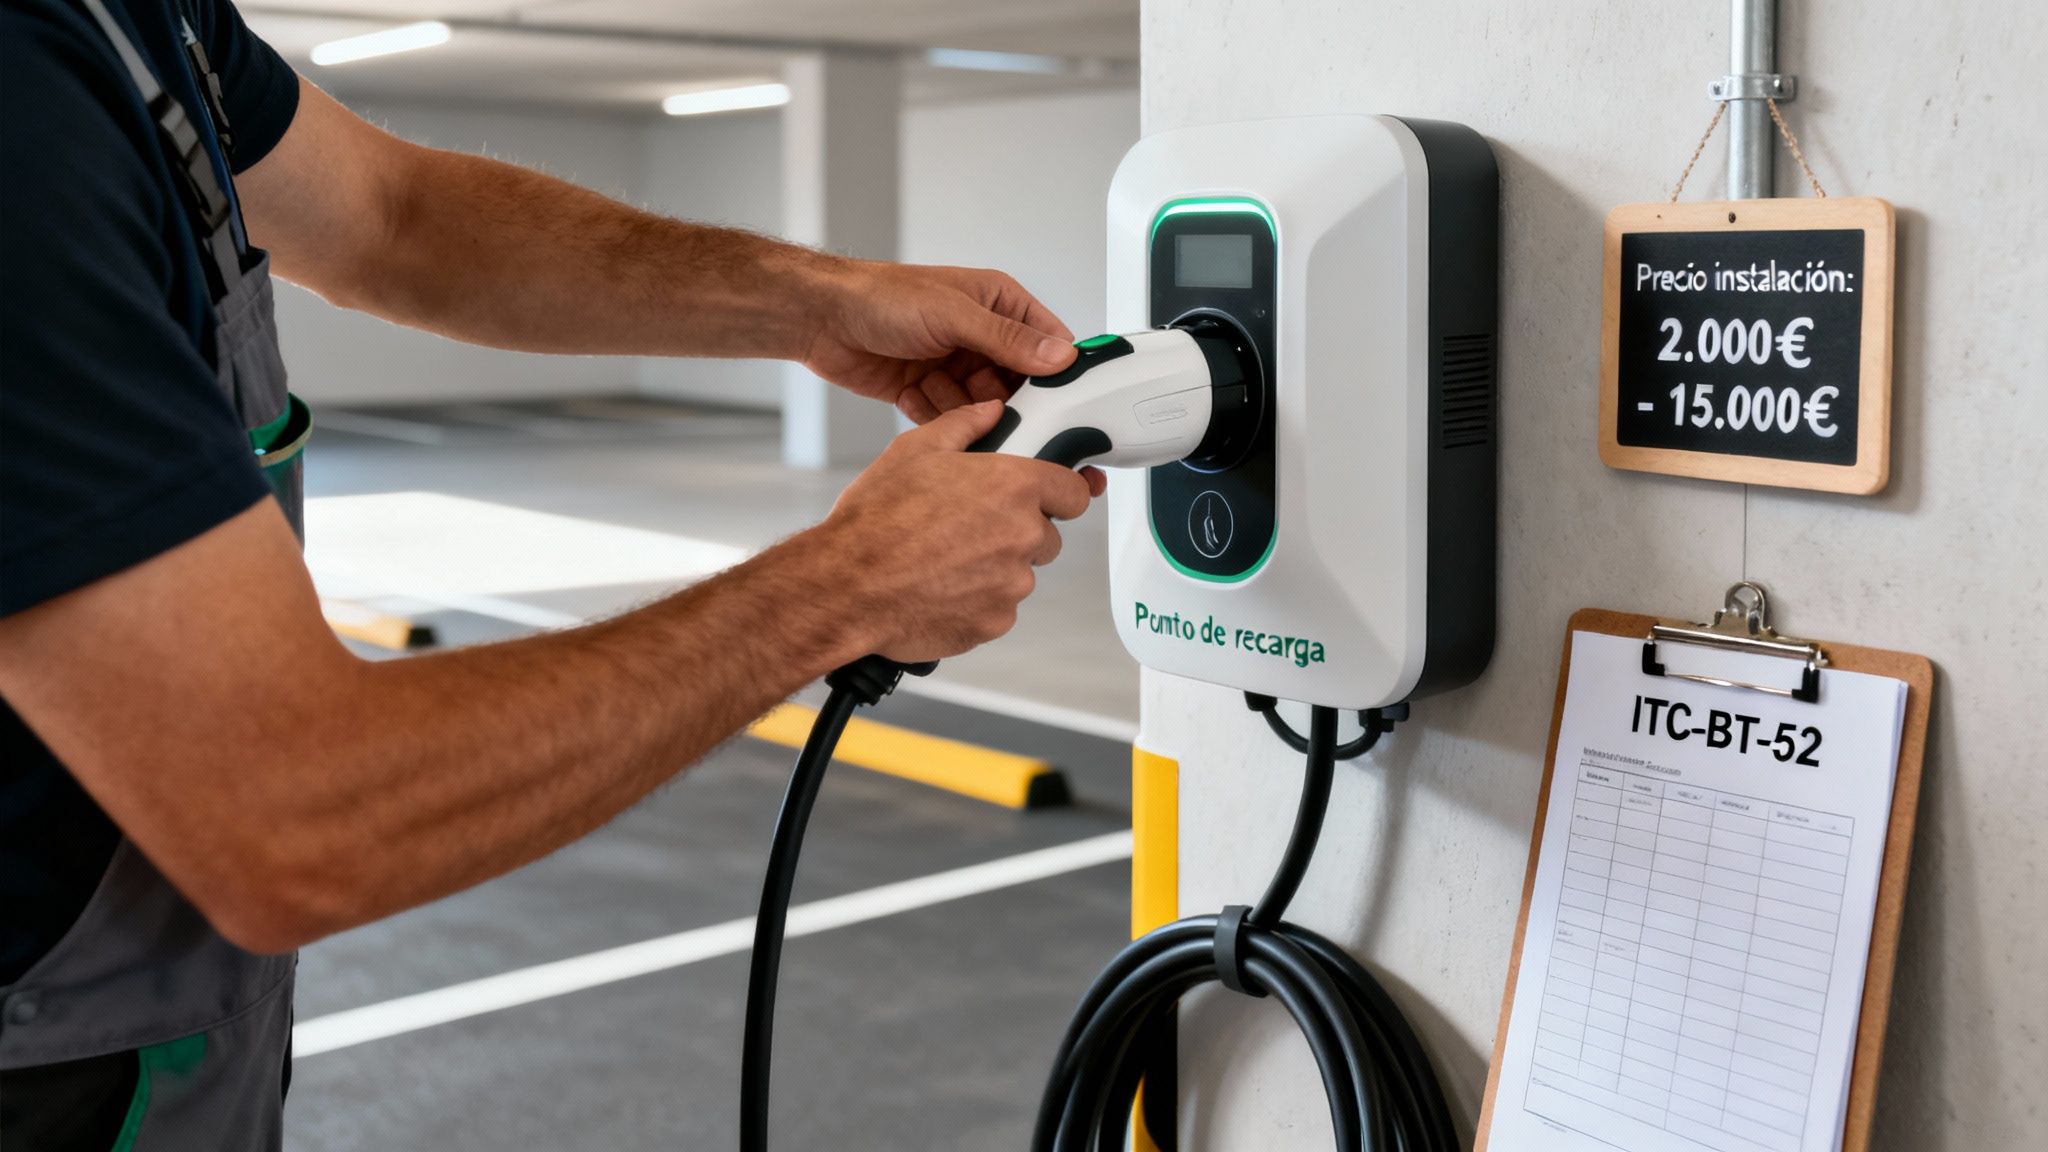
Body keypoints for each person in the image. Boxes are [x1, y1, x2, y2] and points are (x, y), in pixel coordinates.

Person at [0, 0, 1101, 1145]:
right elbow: (289, 815)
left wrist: (818, 300)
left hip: (172, 1045)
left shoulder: (141, 20)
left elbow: (394, 214)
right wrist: (846, 583)